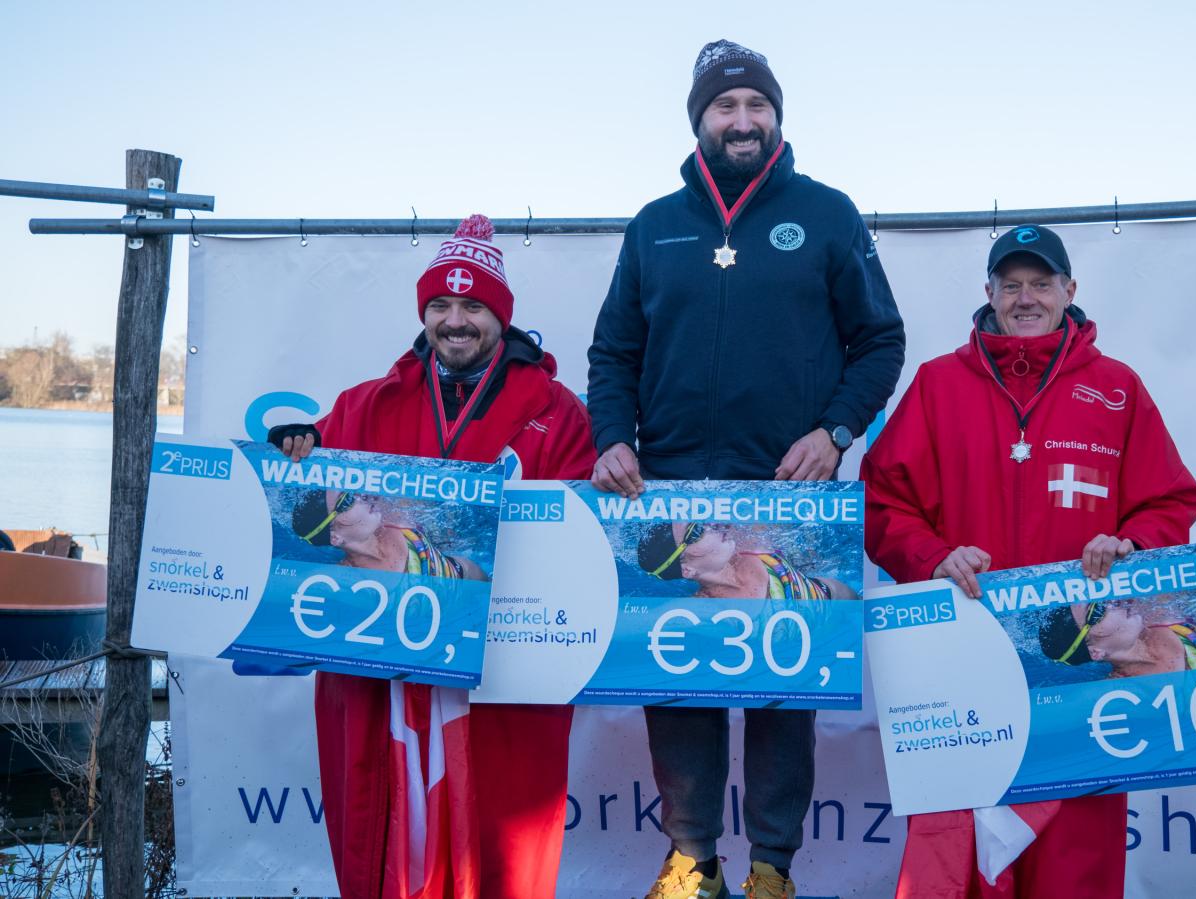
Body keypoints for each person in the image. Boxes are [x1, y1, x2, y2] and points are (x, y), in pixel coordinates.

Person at [586, 39, 904, 899]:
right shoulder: (655, 224)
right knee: (677, 685)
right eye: (724, 106)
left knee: (780, 693)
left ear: (777, 118)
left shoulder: (827, 213)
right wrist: (612, 435)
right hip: (670, 491)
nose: (741, 120)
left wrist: (835, 431)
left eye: (756, 105)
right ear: (700, 121)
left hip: (788, 496)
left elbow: (880, 340)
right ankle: (692, 860)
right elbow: (614, 352)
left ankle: (772, 867)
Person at [862, 224, 1196, 898]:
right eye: (1011, 284)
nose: (1026, 298)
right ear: (989, 292)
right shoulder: (937, 385)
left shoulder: (1116, 388)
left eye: (1041, 284)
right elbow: (881, 502)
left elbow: (1170, 500)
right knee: (960, 857)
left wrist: (1132, 545)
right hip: (967, 657)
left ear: (1069, 290)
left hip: (1084, 670)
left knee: (1074, 860)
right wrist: (934, 556)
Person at [268, 214, 595, 899]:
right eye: (441, 305)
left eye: (473, 306)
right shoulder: (365, 404)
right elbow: (306, 501)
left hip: (499, 676)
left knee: (501, 850)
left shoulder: (558, 412)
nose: (455, 321)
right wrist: (300, 448)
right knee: (384, 843)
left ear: (500, 317)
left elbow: (581, 547)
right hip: (381, 674)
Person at [1039, 598, 1196, 677]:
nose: (1113, 602)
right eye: (1097, 610)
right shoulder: (1122, 695)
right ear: (1095, 651)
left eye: (1103, 596)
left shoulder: (1156, 612)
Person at [292, 490, 489, 581]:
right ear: (335, 537)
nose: (361, 496)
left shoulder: (390, 514)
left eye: (353, 490)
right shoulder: (346, 578)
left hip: (472, 576)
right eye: (347, 500)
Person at [637, 522, 857, 600]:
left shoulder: (743, 540)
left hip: (836, 596)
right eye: (696, 531)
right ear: (687, 569)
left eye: (701, 519)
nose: (711, 525)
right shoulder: (702, 608)